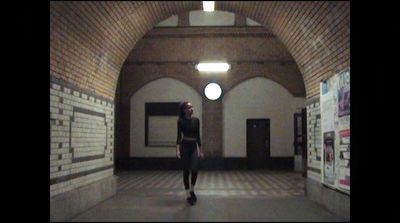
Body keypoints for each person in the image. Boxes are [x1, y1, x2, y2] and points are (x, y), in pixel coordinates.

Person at [176, 101, 204, 205]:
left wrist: (200, 150)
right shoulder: (180, 121)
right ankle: (187, 193)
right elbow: (179, 136)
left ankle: (192, 189)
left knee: (195, 168)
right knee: (186, 170)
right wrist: (177, 150)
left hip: (193, 146)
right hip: (184, 146)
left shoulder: (196, 120)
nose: (192, 109)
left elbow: (197, 136)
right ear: (184, 110)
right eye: (189, 107)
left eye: (192, 107)